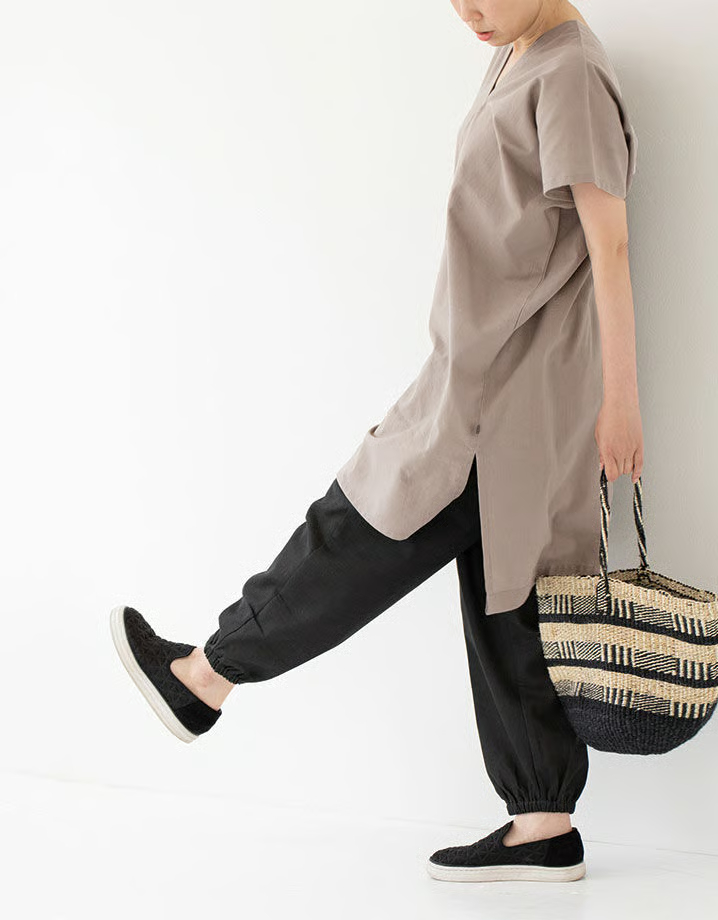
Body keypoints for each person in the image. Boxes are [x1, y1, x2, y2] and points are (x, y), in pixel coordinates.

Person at [109, 0, 642, 884]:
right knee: (507, 592)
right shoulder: (520, 49)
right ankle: (544, 823)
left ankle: (205, 676)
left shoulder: (571, 74)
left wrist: (620, 403)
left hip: (503, 397)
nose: (466, 10)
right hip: (483, 376)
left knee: (357, 527)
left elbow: (609, 244)